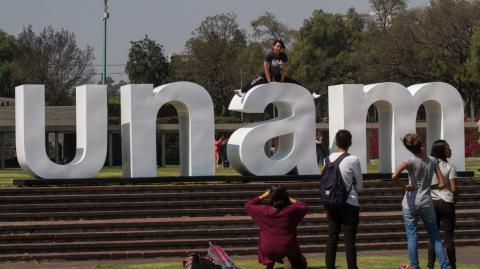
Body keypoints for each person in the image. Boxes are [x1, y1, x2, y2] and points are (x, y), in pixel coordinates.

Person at [392, 133, 450, 269]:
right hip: (426, 201)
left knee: (412, 237)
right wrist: (429, 186)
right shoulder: (433, 160)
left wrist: (404, 186)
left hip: (410, 202)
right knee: (435, 237)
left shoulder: (410, 161)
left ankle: (414, 266)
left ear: (409, 148)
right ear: (420, 144)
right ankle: (445, 266)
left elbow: (394, 176)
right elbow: (442, 184)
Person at [323, 129, 363, 269]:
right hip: (349, 203)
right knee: (349, 241)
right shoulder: (353, 159)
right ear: (350, 143)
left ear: (336, 142)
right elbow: (360, 186)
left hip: (332, 202)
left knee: (332, 237)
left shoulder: (327, 159)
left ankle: (330, 266)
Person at [245, 185, 308, 269]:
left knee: (272, 254)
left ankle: (271, 265)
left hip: (268, 248)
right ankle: (287, 264)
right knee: (300, 261)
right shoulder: (290, 211)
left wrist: (263, 195)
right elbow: (304, 206)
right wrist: (288, 197)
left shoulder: (264, 211)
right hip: (286, 247)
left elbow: (248, 205)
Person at [234, 39, 320, 99]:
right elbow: (266, 69)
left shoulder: (284, 56)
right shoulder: (269, 56)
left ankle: (311, 94)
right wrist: (269, 81)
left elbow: (284, 69)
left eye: (280, 47)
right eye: (277, 46)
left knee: (296, 83)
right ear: (273, 46)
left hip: (278, 77)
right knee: (256, 80)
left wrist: (282, 81)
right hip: (268, 77)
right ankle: (242, 91)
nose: (279, 48)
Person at [427, 140, 457, 269]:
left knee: (433, 236)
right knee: (448, 237)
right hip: (446, 202)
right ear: (441, 151)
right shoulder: (449, 166)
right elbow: (454, 188)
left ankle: (430, 265)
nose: (450, 151)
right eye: (447, 148)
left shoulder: (428, 165)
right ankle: (452, 265)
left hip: (431, 203)